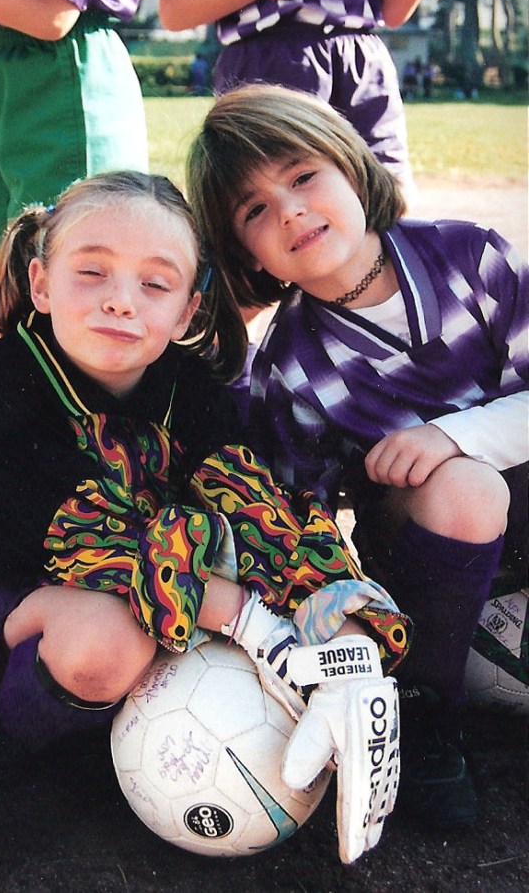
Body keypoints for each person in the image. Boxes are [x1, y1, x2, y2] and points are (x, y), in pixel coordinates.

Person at [0, 171, 411, 865]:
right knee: (109, 645)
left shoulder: (196, 389)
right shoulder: (8, 380)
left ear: (189, 312)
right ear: (42, 283)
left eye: (155, 284)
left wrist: (342, 633)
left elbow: (261, 508)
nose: (120, 301)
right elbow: (78, 540)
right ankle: (3, 725)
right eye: (92, 272)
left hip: (169, 589)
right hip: (19, 593)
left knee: (232, 573)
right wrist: (252, 621)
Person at [185, 84, 528, 832]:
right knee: (464, 487)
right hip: (433, 560)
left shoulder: (471, 256)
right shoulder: (289, 367)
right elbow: (298, 526)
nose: (291, 213)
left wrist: (452, 434)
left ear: (350, 163)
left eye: (303, 176)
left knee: (467, 462)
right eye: (254, 211)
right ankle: (427, 713)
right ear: (244, 250)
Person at [0, 0, 148, 264]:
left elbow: (54, 17)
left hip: (65, 69)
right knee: (12, 268)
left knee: (65, 260)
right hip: (5, 63)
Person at [159, 0, 425, 204]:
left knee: (388, 194)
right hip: (269, 56)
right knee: (280, 200)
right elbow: (174, 11)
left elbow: (395, 11)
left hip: (360, 53)